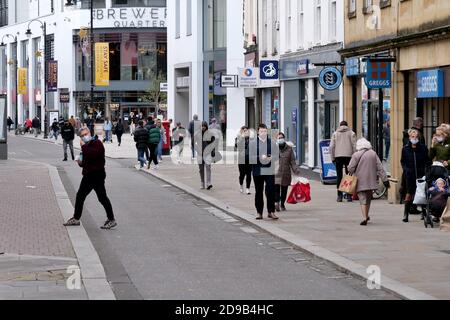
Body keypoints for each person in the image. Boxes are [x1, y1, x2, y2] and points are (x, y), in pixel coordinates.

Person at [63, 127, 117, 230]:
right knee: (82, 196)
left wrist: (83, 147)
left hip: (96, 175)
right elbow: (87, 161)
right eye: (82, 136)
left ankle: (111, 219)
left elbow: (93, 155)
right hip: (89, 175)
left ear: (90, 133)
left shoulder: (97, 143)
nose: (84, 137)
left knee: (101, 197)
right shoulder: (86, 145)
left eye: (85, 134)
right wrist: (80, 163)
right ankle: (76, 218)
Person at [348, 138, 390, 226]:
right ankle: (366, 215)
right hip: (371, 181)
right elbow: (380, 168)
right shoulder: (373, 154)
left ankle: (364, 217)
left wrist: (352, 171)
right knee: (368, 199)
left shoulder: (356, 155)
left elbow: (350, 168)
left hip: (360, 180)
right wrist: (385, 180)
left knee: (362, 199)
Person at [401, 129, 432, 223]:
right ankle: (405, 214)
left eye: (416, 137)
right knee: (409, 194)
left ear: (418, 138)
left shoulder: (423, 148)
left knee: (422, 193)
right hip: (409, 175)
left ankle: (423, 212)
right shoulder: (405, 149)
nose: (414, 138)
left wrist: (426, 171)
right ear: (409, 138)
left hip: (421, 174)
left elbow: (428, 160)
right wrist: (406, 170)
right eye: (412, 137)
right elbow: (403, 161)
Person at [250, 124, 279, 221]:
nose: (263, 133)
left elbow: (277, 155)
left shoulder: (272, 142)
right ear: (258, 132)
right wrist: (260, 158)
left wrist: (271, 158)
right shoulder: (253, 143)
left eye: (265, 131)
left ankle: (271, 212)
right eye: (261, 131)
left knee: (271, 191)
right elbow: (249, 158)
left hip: (269, 170)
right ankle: (259, 212)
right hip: (258, 171)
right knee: (259, 192)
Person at [329, 121, 357, 202]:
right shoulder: (351, 133)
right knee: (349, 175)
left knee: (339, 176)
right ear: (347, 126)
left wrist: (332, 158)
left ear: (340, 126)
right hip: (349, 157)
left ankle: (339, 196)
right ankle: (348, 195)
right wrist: (355, 157)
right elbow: (354, 146)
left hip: (338, 157)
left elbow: (331, 147)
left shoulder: (335, 134)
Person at [275, 132, 301, 212]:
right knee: (276, 189)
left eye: (281, 137)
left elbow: (292, 161)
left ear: (284, 138)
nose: (280, 139)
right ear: (276, 139)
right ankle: (277, 202)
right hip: (276, 172)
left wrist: (296, 170)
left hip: (286, 173)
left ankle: (282, 203)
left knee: (284, 190)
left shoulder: (289, 149)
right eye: (279, 138)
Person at [195, 121, 219, 190]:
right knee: (201, 169)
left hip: (207, 153)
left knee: (208, 167)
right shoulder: (197, 133)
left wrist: (213, 152)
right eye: (202, 126)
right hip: (200, 153)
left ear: (206, 126)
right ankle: (202, 183)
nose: (203, 127)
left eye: (204, 126)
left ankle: (208, 183)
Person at [237, 126, 252, 195]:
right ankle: (241, 185)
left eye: (246, 131)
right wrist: (242, 138)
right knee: (242, 174)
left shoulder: (252, 139)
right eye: (244, 131)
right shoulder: (239, 138)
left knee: (249, 174)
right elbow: (237, 146)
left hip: (249, 160)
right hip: (241, 160)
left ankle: (248, 188)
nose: (245, 132)